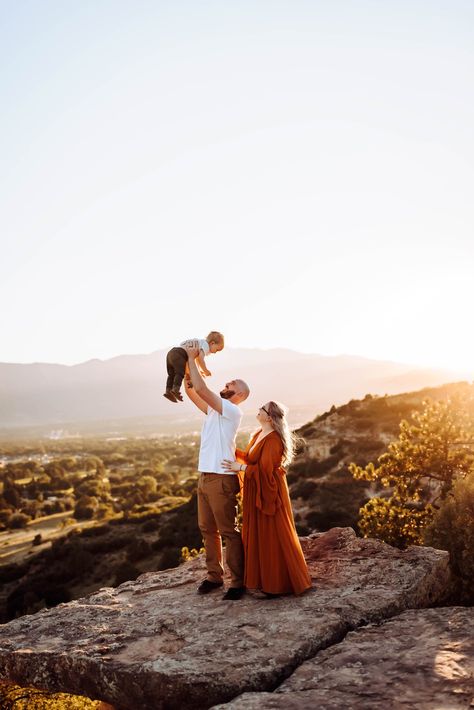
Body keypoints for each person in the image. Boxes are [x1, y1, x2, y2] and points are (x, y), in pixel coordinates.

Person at [223, 401, 311, 597]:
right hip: (257, 488)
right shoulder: (258, 433)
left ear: (269, 417)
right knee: (261, 534)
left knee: (272, 533)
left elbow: (265, 471)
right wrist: (232, 450)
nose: (258, 410)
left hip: (269, 491)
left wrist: (241, 468)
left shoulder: (273, 440)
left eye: (261, 409)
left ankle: (277, 584)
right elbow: (251, 458)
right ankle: (262, 580)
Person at [184, 342, 250, 600]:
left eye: (231, 384)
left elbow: (201, 388)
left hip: (221, 479)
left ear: (240, 394)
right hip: (204, 476)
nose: (226, 384)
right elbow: (192, 391)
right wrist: (188, 365)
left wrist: (193, 357)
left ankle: (237, 582)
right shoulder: (214, 410)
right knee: (206, 529)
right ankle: (214, 576)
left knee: (228, 532)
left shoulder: (232, 410)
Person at [164, 331, 224, 403]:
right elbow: (200, 359)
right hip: (179, 354)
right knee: (179, 373)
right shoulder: (205, 346)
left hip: (171, 353)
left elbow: (196, 361)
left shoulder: (199, 343)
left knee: (171, 375)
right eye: (217, 350)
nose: (215, 353)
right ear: (212, 343)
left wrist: (192, 374)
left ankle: (168, 392)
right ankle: (175, 389)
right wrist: (205, 370)